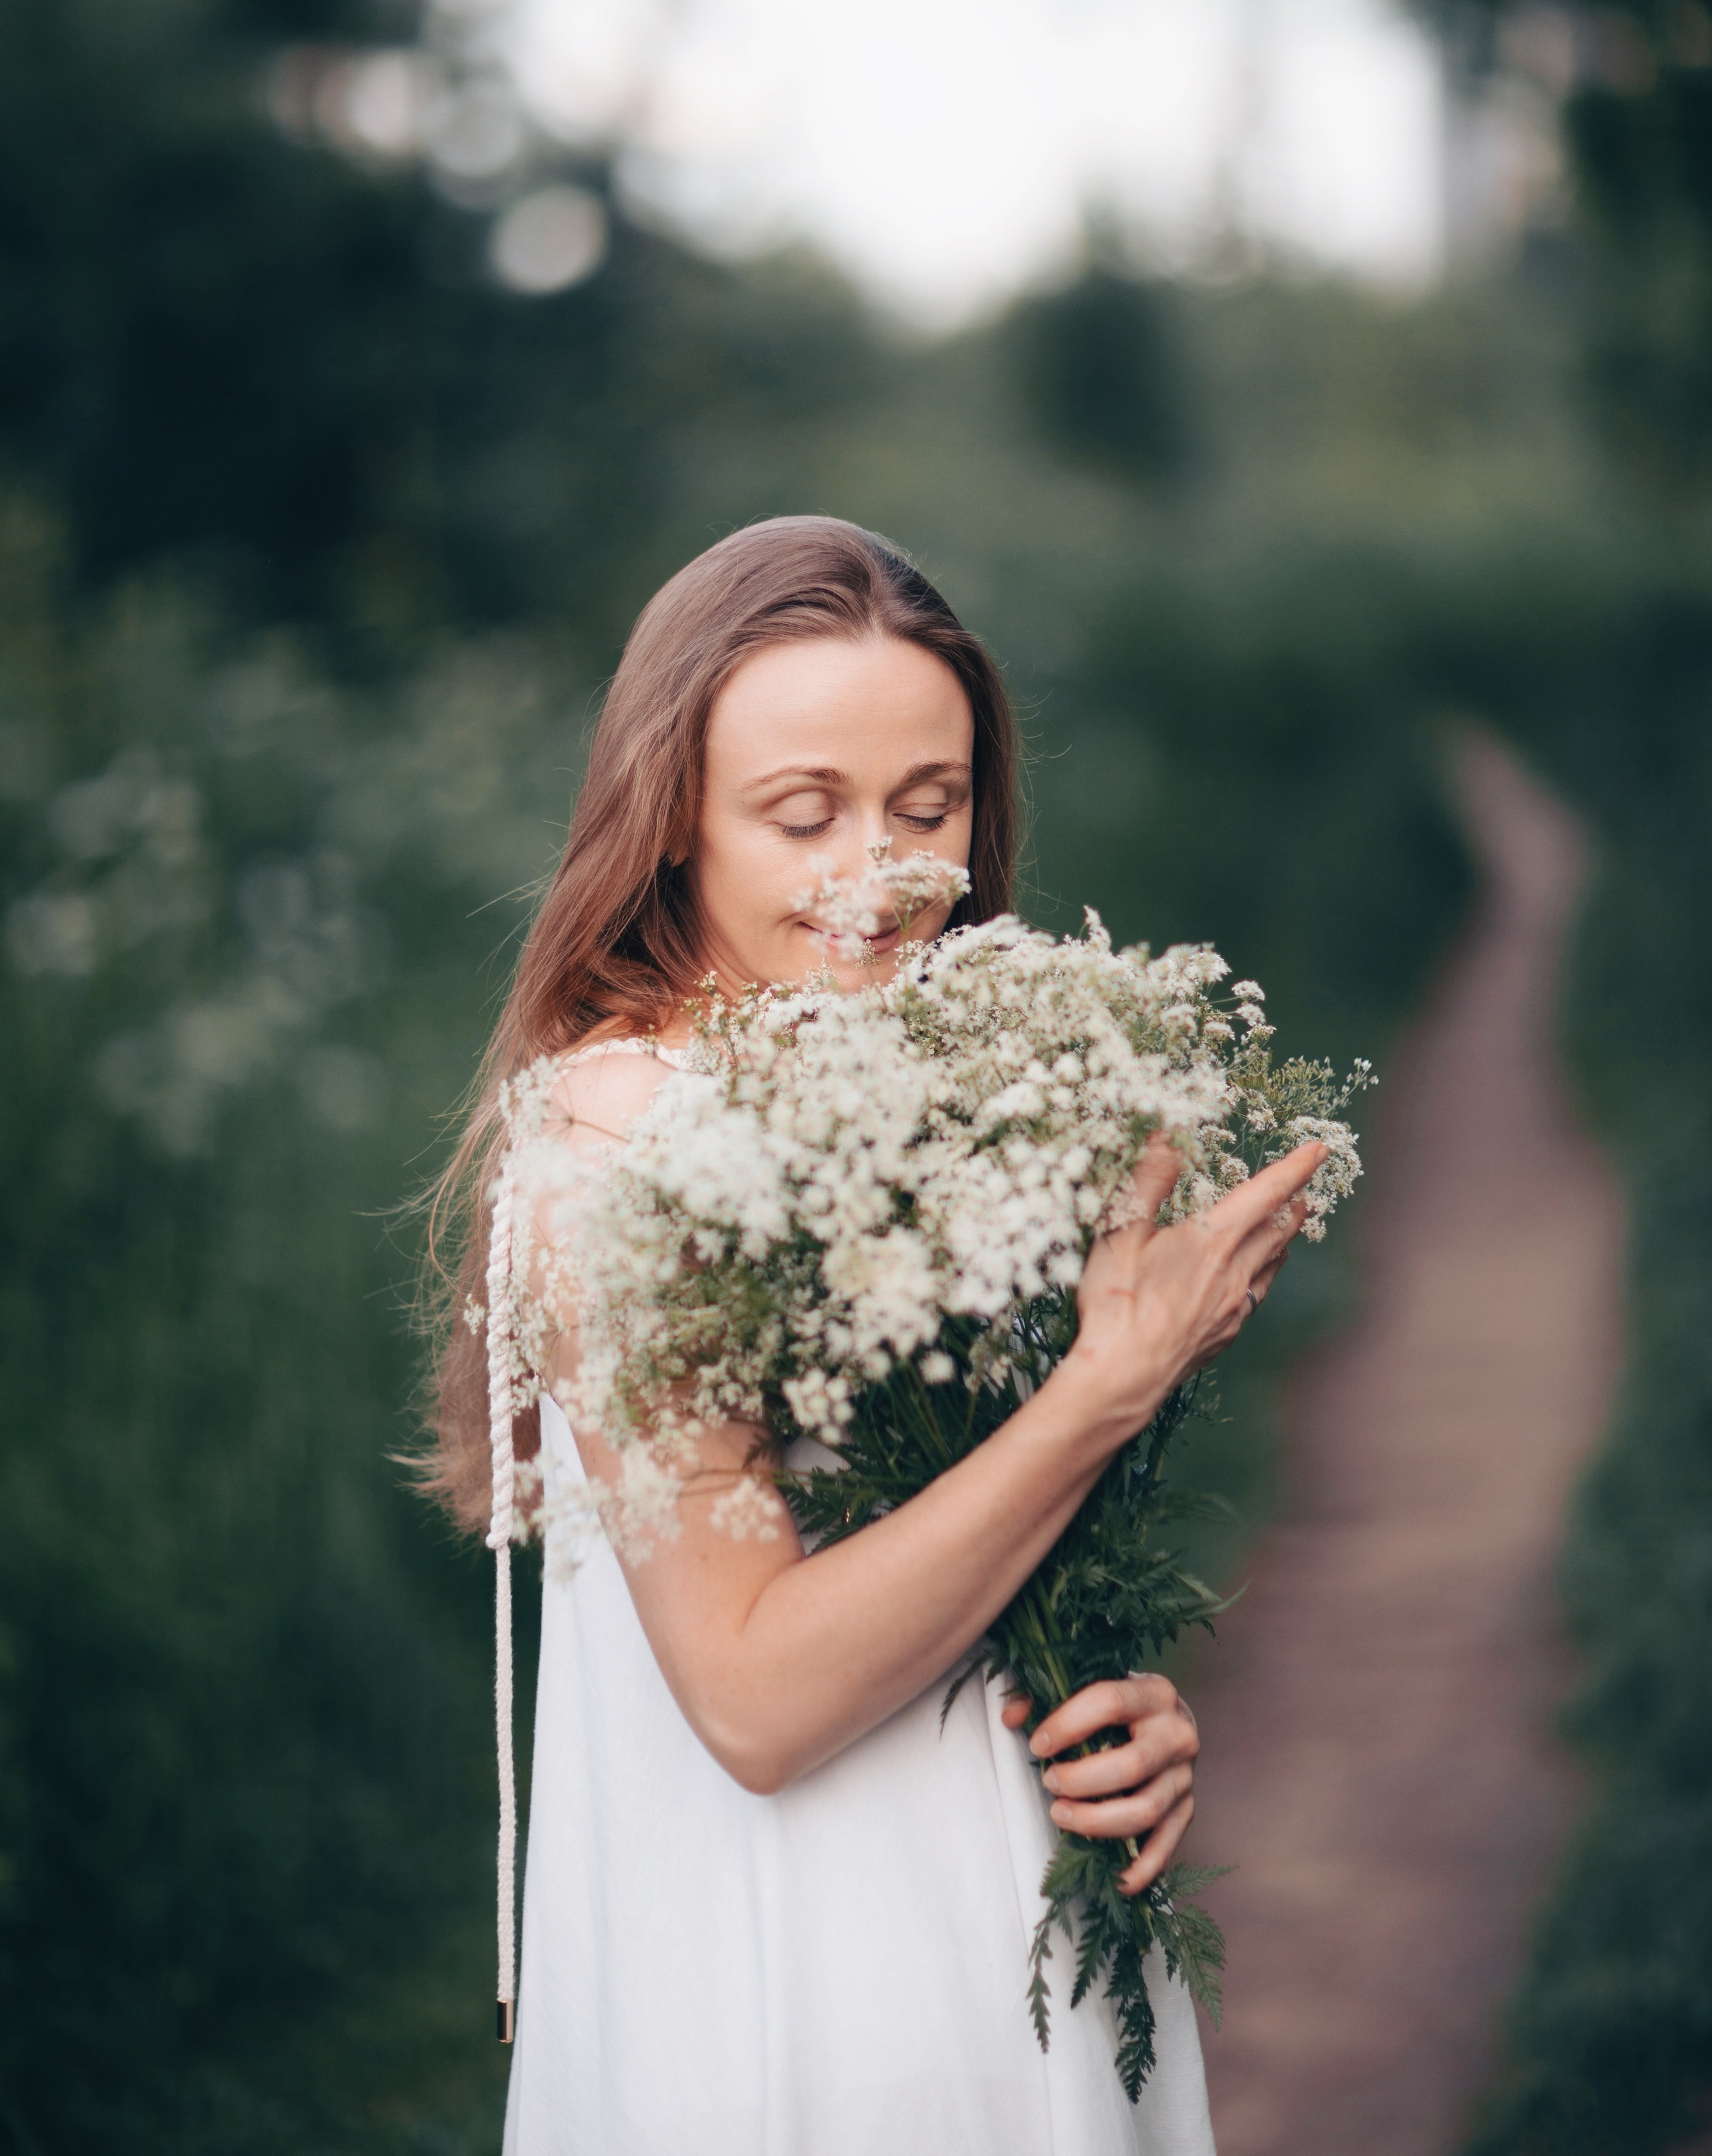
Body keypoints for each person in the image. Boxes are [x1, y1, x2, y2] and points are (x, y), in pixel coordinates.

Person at [428, 516, 1325, 2155]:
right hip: (814, 1972)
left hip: (1010, 1917)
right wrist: (1108, 1384)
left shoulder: (927, 1076)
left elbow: (966, 1539)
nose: (883, 877)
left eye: (930, 807)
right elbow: (757, 1701)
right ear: (672, 823)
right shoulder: (624, 1138)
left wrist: (1108, 1712)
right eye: (801, 814)